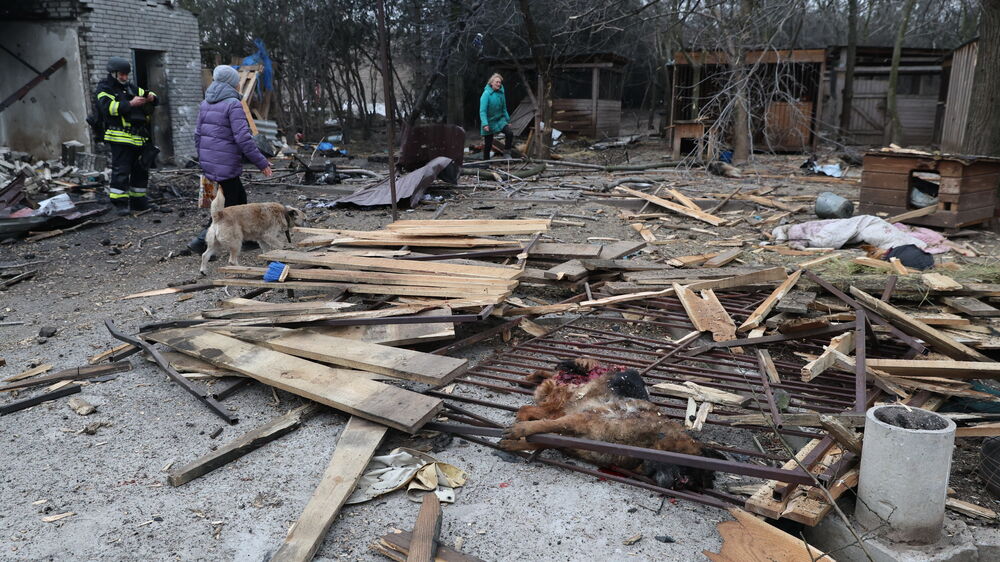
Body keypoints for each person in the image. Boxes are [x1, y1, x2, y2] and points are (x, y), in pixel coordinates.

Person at [187, 65, 273, 253]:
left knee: (240, 198)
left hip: (211, 162)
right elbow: (243, 138)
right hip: (225, 164)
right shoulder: (233, 104)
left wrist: (205, 159)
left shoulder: (206, 103)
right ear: (233, 84)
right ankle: (201, 241)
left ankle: (247, 238)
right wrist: (262, 163)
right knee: (229, 206)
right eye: (237, 83)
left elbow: (197, 135)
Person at [94, 56, 159, 214]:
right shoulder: (104, 88)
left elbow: (152, 96)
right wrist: (130, 104)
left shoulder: (130, 87)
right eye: (121, 74)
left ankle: (139, 200)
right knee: (121, 170)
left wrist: (152, 97)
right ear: (113, 73)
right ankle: (120, 203)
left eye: (126, 74)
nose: (124, 77)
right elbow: (107, 108)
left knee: (141, 169)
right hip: (119, 136)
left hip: (138, 138)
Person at [479, 73, 514, 160]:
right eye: (497, 82)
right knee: (488, 144)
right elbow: (482, 111)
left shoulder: (501, 93)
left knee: (509, 133)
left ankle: (507, 154)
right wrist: (485, 124)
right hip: (489, 121)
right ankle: (486, 163)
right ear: (491, 83)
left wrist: (508, 121)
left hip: (500, 120)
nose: (499, 84)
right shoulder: (486, 94)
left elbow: (504, 108)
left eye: (500, 82)